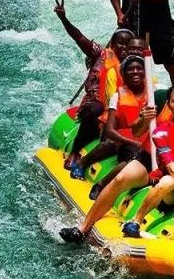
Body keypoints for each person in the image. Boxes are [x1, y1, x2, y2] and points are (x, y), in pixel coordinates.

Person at [58, 55, 157, 242]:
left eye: (139, 69)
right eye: (131, 69)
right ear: (123, 74)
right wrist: (134, 141)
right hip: (124, 137)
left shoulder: (154, 93)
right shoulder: (118, 95)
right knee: (120, 151)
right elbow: (111, 130)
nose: (136, 72)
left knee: (133, 155)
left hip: (146, 140)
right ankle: (98, 181)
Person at [53, 0, 134, 171]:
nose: (124, 49)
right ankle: (75, 151)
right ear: (113, 44)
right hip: (95, 104)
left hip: (119, 110)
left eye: (128, 45)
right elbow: (79, 37)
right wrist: (63, 18)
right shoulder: (100, 54)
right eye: (120, 44)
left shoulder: (134, 66)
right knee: (96, 109)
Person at [122, 84, 174, 238]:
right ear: (169, 105)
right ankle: (136, 221)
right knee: (167, 181)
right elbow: (173, 169)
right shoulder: (161, 133)